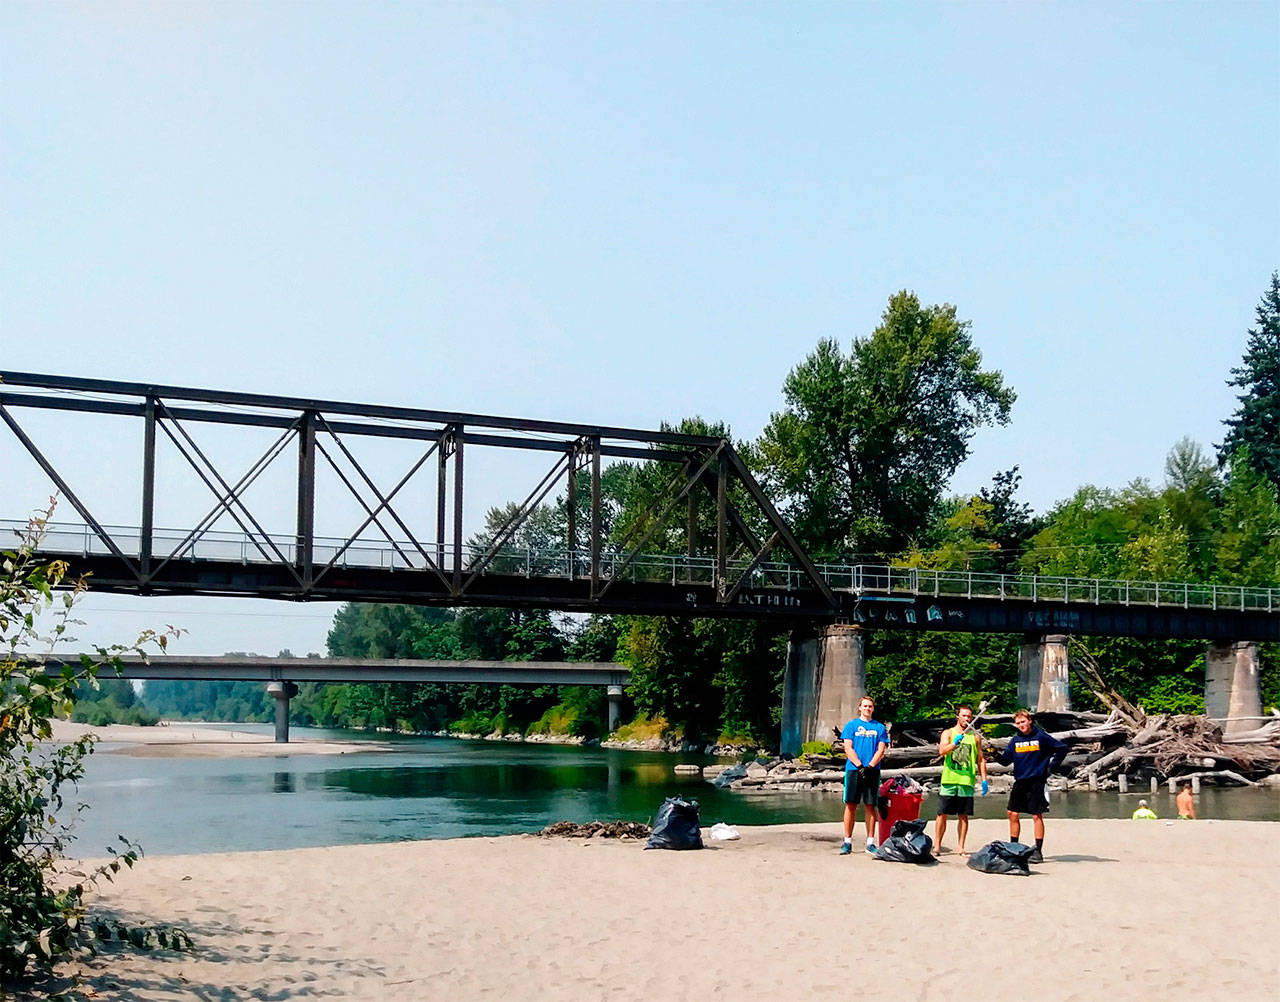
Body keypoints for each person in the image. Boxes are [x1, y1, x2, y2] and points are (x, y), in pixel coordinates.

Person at [996, 709, 1068, 863]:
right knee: (1012, 813)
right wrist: (993, 754)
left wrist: (1052, 767)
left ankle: (1038, 851)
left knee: (1037, 815)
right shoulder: (1015, 741)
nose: (1021, 725)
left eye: (1023, 722)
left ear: (1029, 721)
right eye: (1018, 723)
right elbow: (1005, 761)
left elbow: (1062, 748)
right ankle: (1013, 847)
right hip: (1020, 781)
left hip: (1037, 781)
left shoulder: (1041, 736)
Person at [934, 705, 988, 855]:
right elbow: (942, 751)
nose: (966, 719)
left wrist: (984, 779)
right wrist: (954, 743)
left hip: (966, 780)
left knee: (963, 816)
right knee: (942, 814)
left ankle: (961, 847)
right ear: (958, 717)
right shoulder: (948, 733)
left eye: (969, 716)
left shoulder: (975, 737)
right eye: (963, 716)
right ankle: (937, 845)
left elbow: (980, 759)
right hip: (949, 779)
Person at [839, 695, 890, 855]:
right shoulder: (851, 726)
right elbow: (848, 747)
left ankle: (870, 842)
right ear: (859, 708)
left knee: (870, 805)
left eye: (870, 706)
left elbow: (881, 749)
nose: (867, 709)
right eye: (865, 706)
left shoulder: (880, 728)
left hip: (872, 771)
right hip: (854, 770)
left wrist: (870, 766)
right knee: (851, 805)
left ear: (873, 709)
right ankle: (847, 842)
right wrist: (859, 765)